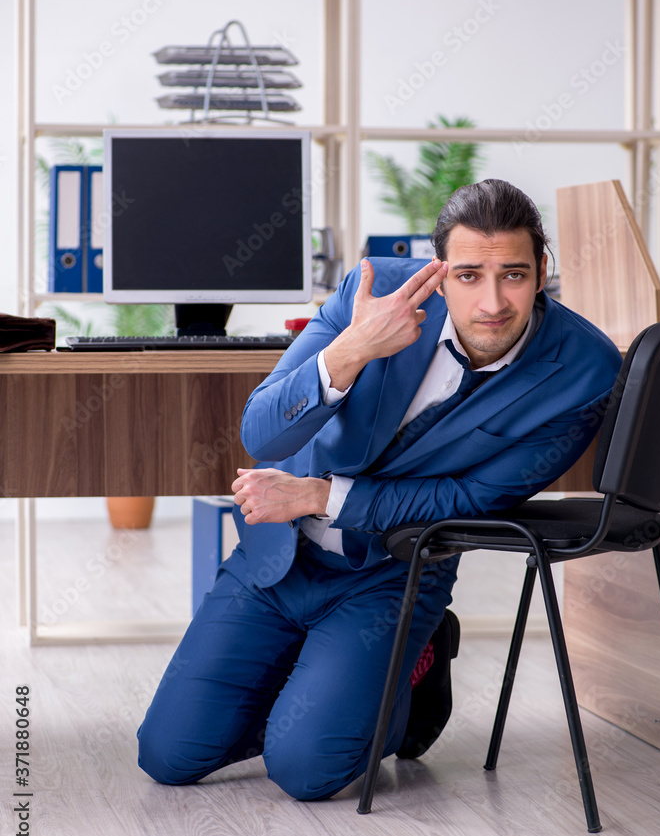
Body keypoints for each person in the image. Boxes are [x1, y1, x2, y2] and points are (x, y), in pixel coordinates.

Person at [137, 178, 622, 801]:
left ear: (542, 271)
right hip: (280, 560)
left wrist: (319, 496)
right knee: (169, 755)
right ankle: (332, 690)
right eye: (470, 275)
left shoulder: (584, 369)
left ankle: (397, 682)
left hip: (392, 573)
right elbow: (262, 432)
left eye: (515, 275)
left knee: (307, 770)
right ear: (440, 272)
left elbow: (471, 500)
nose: (494, 302)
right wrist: (354, 348)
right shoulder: (374, 290)